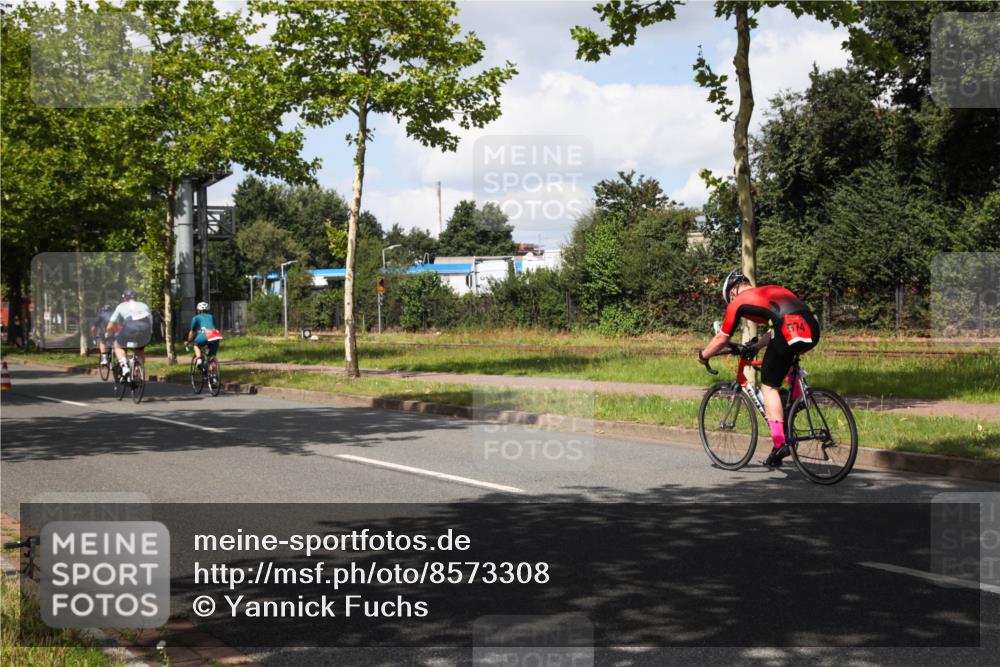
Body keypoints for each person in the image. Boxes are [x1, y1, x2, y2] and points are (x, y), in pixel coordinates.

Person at [698, 270, 821, 468]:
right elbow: (776, 329)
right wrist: (756, 347)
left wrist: (704, 356)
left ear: (732, 293)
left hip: (787, 328)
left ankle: (780, 443)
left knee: (769, 385)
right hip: (812, 326)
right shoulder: (770, 291)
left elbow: (722, 338)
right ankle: (796, 402)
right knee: (786, 360)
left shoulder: (738, 302)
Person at [105, 289, 153, 378]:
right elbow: (150, 320)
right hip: (145, 328)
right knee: (139, 349)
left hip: (130, 327)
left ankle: (124, 367)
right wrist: (150, 332)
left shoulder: (121, 306)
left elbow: (111, 324)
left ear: (125, 298)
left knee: (118, 345)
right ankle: (138, 368)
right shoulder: (144, 305)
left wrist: (107, 333)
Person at [185, 301, 222, 369]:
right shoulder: (212, 316)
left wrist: (188, 341)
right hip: (215, 335)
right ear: (207, 310)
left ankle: (199, 360)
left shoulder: (196, 318)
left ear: (198, 310)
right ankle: (214, 377)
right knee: (212, 357)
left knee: (196, 345)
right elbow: (212, 326)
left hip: (205, 334)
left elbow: (192, 332)